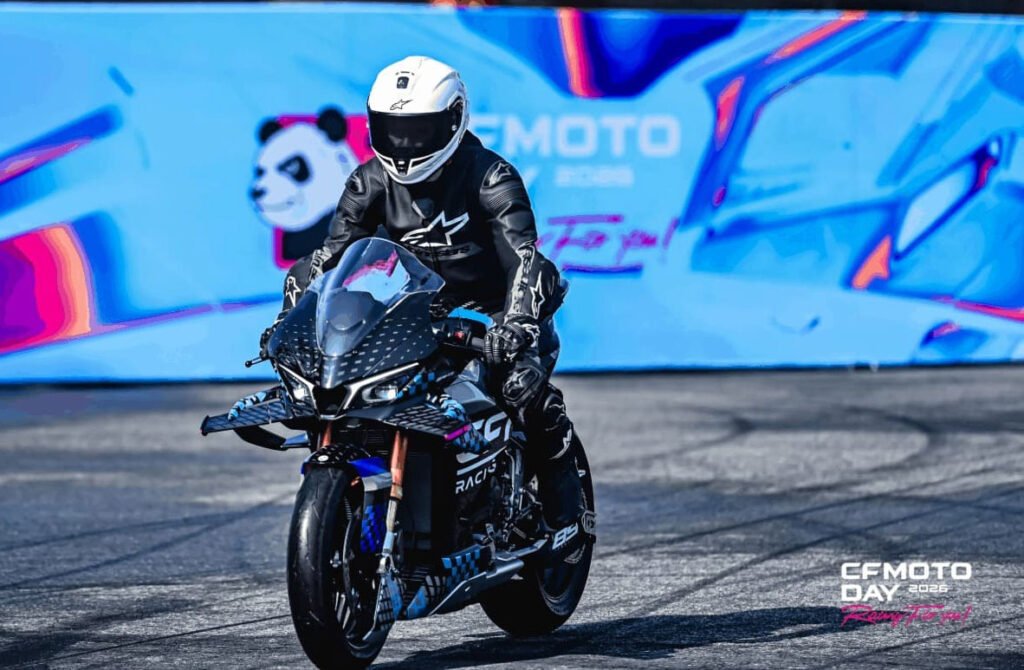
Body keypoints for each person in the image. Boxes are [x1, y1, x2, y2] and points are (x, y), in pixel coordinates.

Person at [262, 56, 584, 532]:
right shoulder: (368, 182)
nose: (403, 146)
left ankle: (567, 519)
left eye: (417, 132)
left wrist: (514, 327)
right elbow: (328, 263)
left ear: (454, 119)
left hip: (493, 319)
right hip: (411, 317)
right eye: (391, 130)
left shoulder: (491, 177)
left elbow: (524, 258)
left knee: (524, 391)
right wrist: (293, 325)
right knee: (336, 397)